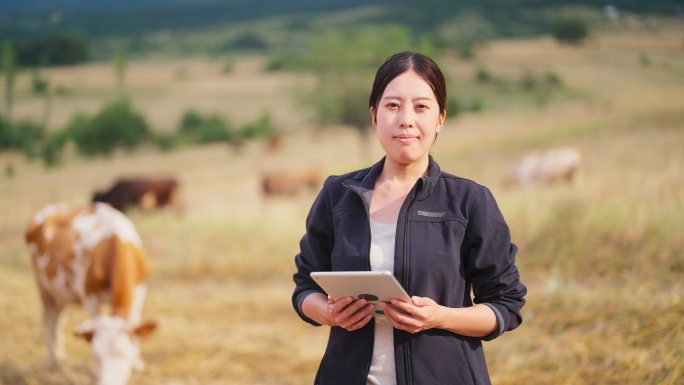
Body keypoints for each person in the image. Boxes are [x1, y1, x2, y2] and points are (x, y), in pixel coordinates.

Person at [292, 52, 527, 385]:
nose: (405, 119)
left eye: (421, 107)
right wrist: (328, 313)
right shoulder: (337, 194)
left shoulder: (469, 201)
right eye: (392, 106)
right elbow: (305, 288)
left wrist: (439, 317)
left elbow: (505, 306)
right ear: (374, 116)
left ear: (440, 119)